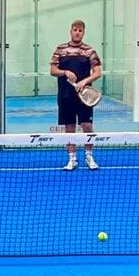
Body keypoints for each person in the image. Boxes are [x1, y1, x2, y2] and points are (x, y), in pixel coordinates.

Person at [49, 20, 102, 170]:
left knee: (87, 126)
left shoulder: (90, 51)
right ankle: (72, 159)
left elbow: (98, 72)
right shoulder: (60, 49)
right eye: (75, 30)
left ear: (83, 32)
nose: (77, 32)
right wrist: (64, 72)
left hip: (85, 96)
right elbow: (53, 70)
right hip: (66, 95)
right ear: (70, 31)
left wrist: (84, 82)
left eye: (80, 30)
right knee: (70, 127)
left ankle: (89, 156)